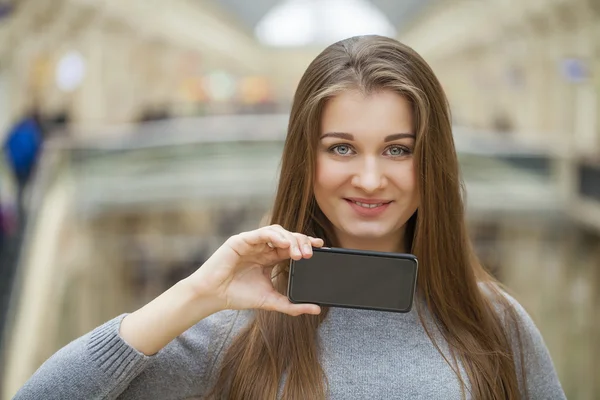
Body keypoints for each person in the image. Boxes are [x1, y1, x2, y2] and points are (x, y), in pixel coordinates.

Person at [13, 36, 565, 400]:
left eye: (399, 149)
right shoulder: (238, 326)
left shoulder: (494, 322)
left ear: (433, 161)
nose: (371, 179)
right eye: (342, 148)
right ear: (306, 158)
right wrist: (193, 295)